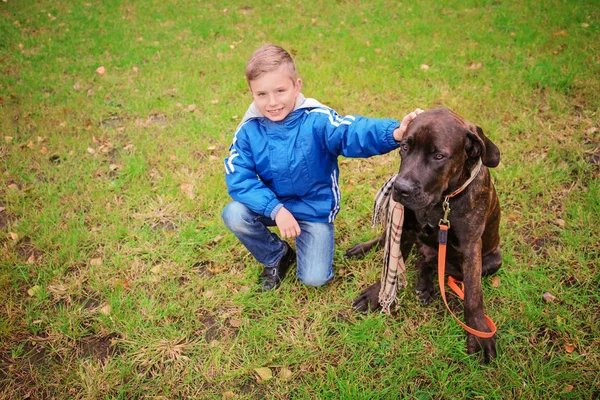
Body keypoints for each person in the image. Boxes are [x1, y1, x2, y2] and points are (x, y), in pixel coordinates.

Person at [222, 44, 422, 291]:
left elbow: (351, 132)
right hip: (274, 206)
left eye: (280, 91)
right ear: (251, 93)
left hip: (312, 210)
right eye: (261, 94)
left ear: (297, 85)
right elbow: (238, 177)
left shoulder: (317, 119)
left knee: (315, 279)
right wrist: (275, 209)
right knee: (235, 214)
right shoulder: (248, 129)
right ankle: (277, 255)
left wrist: (393, 133)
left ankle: (312, 240)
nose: (272, 102)